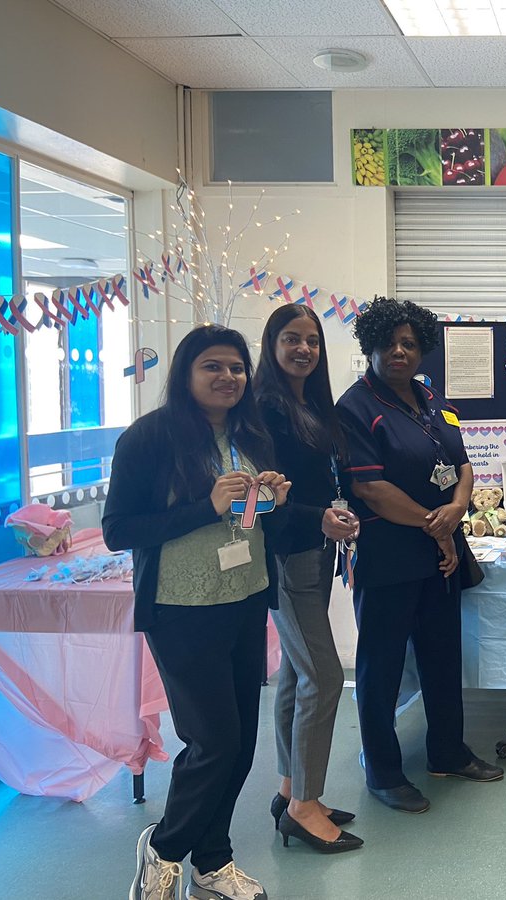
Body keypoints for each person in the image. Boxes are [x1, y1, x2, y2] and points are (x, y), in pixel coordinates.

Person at [105, 325, 298, 900]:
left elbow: (256, 523)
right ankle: (162, 849)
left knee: (239, 744)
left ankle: (212, 863)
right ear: (186, 374)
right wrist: (203, 506)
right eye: (212, 366)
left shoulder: (252, 434)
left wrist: (275, 501)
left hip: (242, 601)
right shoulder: (150, 439)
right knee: (211, 740)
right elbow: (118, 531)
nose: (228, 378)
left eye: (237, 368)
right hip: (180, 607)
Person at [336, 296, 503, 815]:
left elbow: (462, 463)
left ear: (423, 349)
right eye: (389, 343)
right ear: (371, 346)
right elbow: (372, 491)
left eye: (410, 343)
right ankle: (383, 770)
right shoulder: (354, 408)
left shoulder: (430, 400)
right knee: (381, 667)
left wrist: (455, 508)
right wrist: (438, 527)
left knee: (441, 657)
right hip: (388, 556)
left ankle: (447, 752)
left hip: (441, 554)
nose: (400, 351)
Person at [252, 305, 363, 853]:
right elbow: (260, 498)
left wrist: (332, 515)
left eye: (312, 341)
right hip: (287, 554)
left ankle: (293, 788)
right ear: (271, 344)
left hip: (316, 551)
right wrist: (316, 517)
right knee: (322, 674)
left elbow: (318, 482)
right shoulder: (263, 410)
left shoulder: (309, 405)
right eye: (291, 339)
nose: (303, 349)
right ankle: (303, 806)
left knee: (296, 675)